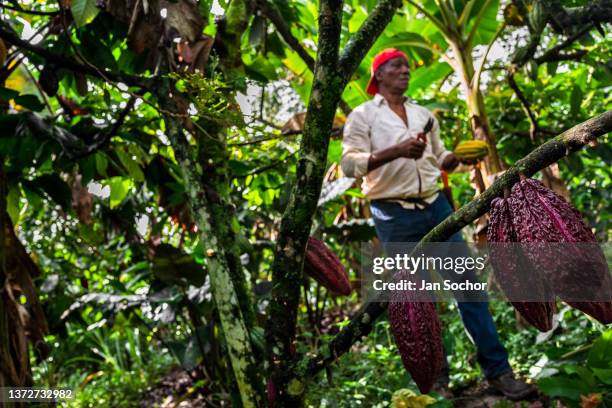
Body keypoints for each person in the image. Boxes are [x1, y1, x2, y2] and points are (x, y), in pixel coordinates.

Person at [340, 48, 536, 400]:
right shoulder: (363, 116)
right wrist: (394, 152)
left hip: (436, 207)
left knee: (469, 290)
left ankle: (499, 372)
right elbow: (349, 165)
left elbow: (439, 158)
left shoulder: (423, 115)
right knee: (418, 302)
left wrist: (458, 157)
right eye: (396, 66)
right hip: (393, 215)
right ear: (378, 76)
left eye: (407, 66)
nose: (405, 71)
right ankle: (436, 385)